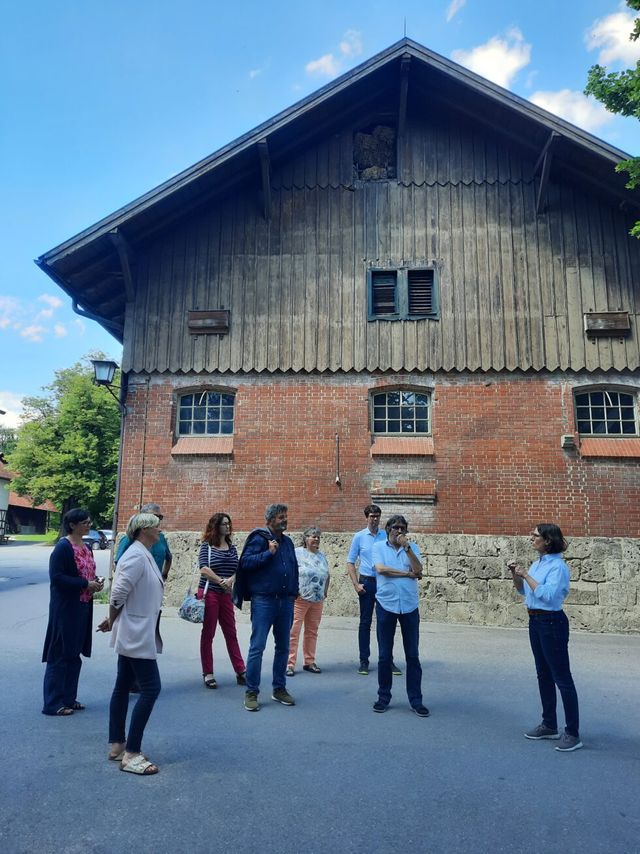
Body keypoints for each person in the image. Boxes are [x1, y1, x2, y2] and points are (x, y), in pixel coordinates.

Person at [97, 512, 164, 775]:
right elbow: (118, 593)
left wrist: (112, 620)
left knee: (123, 685)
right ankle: (132, 753)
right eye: (156, 526)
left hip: (135, 628)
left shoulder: (142, 552)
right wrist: (111, 619)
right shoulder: (136, 555)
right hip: (135, 631)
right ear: (143, 529)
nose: (160, 530)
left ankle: (117, 746)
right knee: (151, 688)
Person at [508, 524, 583, 752]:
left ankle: (572, 733)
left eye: (535, 535)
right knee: (543, 674)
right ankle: (549, 724)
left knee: (562, 677)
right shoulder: (538, 563)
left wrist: (526, 575)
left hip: (552, 622)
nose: (531, 538)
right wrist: (516, 574)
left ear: (548, 541)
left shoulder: (558, 567)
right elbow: (524, 591)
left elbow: (548, 596)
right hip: (536, 621)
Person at [236, 503, 299, 712]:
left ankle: (279, 688)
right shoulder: (259, 538)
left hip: (285, 601)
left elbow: (293, 567)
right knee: (257, 647)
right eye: (281, 517)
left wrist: (293, 591)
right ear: (270, 520)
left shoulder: (288, 542)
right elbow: (245, 562)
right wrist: (268, 554)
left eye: (285, 516)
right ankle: (251, 691)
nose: (284, 520)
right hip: (264, 600)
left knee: (283, 648)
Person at [42, 508, 104, 716]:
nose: (89, 525)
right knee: (59, 654)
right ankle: (52, 703)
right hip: (66, 608)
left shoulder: (86, 547)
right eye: (85, 522)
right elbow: (57, 578)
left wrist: (95, 583)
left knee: (74, 654)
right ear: (72, 525)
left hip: (83, 605)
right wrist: (85, 583)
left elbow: (88, 573)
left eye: (89, 521)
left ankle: (69, 698)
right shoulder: (63, 548)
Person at [371, 514, 429, 717]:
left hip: (409, 606)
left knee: (413, 655)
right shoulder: (378, 547)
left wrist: (407, 548)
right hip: (386, 605)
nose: (399, 531)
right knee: (384, 655)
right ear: (388, 529)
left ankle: (416, 700)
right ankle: (383, 697)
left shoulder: (412, 548)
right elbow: (381, 569)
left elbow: (419, 569)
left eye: (403, 528)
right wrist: (406, 574)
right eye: (395, 527)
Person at [347, 505, 401, 676]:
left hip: (384, 582)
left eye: (377, 516)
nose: (375, 519)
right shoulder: (359, 537)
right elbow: (350, 562)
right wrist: (356, 584)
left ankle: (388, 660)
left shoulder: (385, 536)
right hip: (367, 582)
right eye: (372, 516)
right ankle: (364, 661)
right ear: (366, 517)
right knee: (365, 623)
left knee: (386, 622)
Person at [197, 512, 246, 688]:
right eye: (224, 524)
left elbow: (238, 568)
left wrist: (231, 580)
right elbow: (203, 568)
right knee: (208, 633)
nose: (228, 527)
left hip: (226, 595)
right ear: (216, 526)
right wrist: (220, 581)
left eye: (229, 524)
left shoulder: (231, 547)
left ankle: (240, 670)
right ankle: (208, 673)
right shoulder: (207, 546)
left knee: (231, 632)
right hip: (209, 592)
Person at [286, 526, 330, 676]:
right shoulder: (297, 553)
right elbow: (290, 572)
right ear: (305, 539)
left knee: (312, 631)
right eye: (313, 536)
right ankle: (289, 663)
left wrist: (325, 591)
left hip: (317, 599)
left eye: (318, 537)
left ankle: (309, 661)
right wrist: (293, 589)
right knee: (293, 631)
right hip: (300, 598)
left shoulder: (322, 556)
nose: (316, 539)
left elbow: (327, 574)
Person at [115, 502, 172, 580]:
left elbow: (169, 557)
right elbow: (118, 563)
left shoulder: (160, 537)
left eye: (160, 517)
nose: (158, 519)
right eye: (154, 516)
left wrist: (164, 575)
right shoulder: (128, 538)